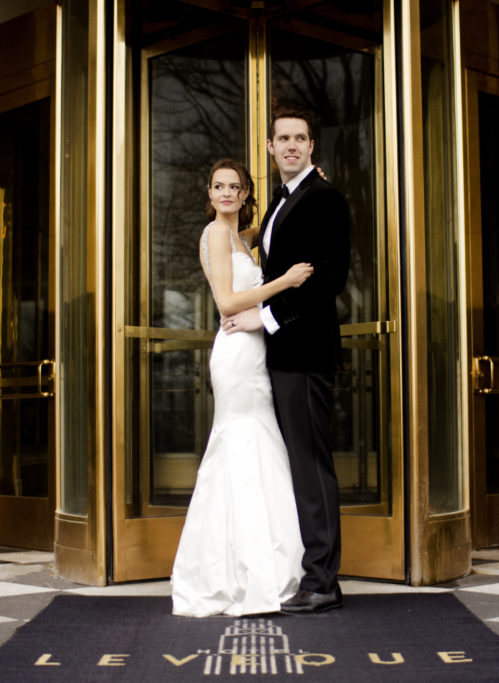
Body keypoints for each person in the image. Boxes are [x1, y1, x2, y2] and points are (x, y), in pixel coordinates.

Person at [171, 158, 314, 617]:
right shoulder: (215, 235)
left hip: (256, 351)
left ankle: (264, 564)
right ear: (209, 194)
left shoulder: (238, 237)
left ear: (246, 194)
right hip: (236, 352)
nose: (227, 193)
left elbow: (272, 225)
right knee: (239, 447)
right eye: (219, 186)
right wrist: (283, 282)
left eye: (235, 186)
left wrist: (307, 187)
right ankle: (231, 572)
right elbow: (228, 301)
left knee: (261, 446)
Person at [222, 110, 351, 614]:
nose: (292, 145)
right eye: (283, 138)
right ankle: (303, 569)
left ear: (312, 145)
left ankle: (323, 582)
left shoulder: (326, 199)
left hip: (304, 353)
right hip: (279, 357)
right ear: (271, 147)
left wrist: (266, 319)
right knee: (292, 465)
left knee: (311, 464)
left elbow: (327, 279)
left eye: (300, 138)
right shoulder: (280, 201)